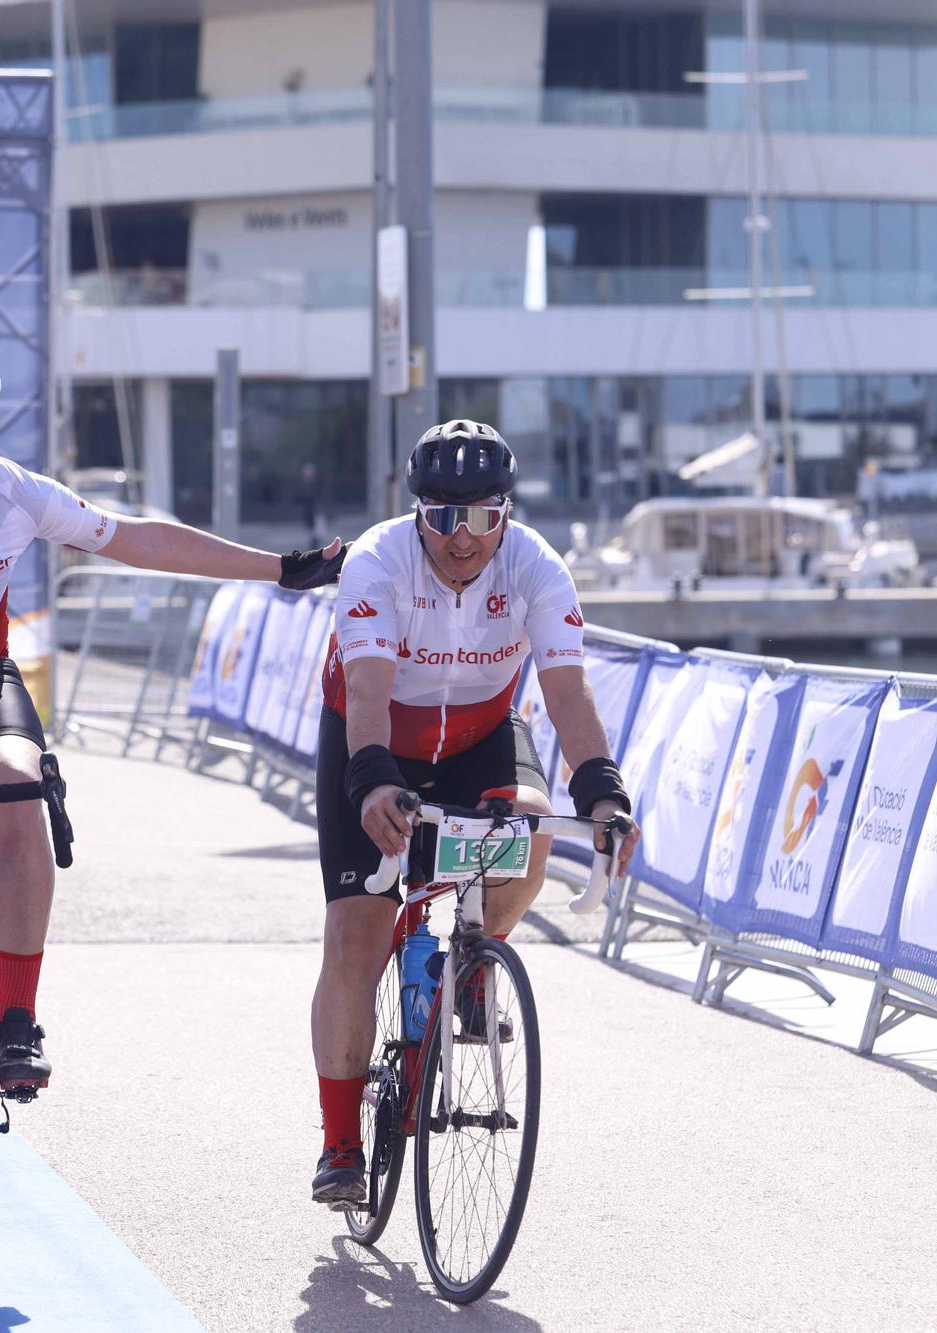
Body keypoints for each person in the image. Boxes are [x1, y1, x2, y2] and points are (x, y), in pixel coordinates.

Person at [0, 332, 344, 1191]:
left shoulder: (13, 491)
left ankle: (16, 1019)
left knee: (18, 780)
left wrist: (278, 569)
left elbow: (139, 540)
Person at [307, 418, 638, 1209]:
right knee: (358, 931)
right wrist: (374, 783)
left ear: (507, 514)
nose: (463, 538)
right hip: (376, 736)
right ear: (416, 511)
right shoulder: (378, 563)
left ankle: (477, 959)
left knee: (529, 831)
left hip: (483, 733)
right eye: (443, 517)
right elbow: (368, 694)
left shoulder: (536, 567)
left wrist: (603, 792)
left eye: (483, 517)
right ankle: (340, 1140)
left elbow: (566, 693)